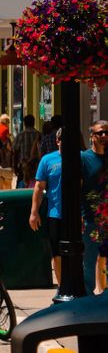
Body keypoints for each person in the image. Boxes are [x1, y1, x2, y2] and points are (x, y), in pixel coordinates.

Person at [29, 128, 63, 283]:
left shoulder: (80, 158)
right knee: (57, 254)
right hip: (55, 213)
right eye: (62, 138)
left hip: (78, 214)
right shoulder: (48, 160)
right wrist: (34, 212)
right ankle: (62, 286)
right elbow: (39, 187)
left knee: (80, 252)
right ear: (57, 141)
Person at [81, 119, 108, 294]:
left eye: (107, 133)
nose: (104, 136)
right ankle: (88, 298)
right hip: (91, 219)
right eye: (100, 133)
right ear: (92, 136)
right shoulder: (84, 158)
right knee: (89, 261)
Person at [13, 114, 41, 188]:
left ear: (24, 123)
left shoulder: (20, 135)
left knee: (21, 187)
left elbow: (15, 152)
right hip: (37, 167)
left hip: (23, 167)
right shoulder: (39, 135)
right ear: (33, 123)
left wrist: (15, 166)